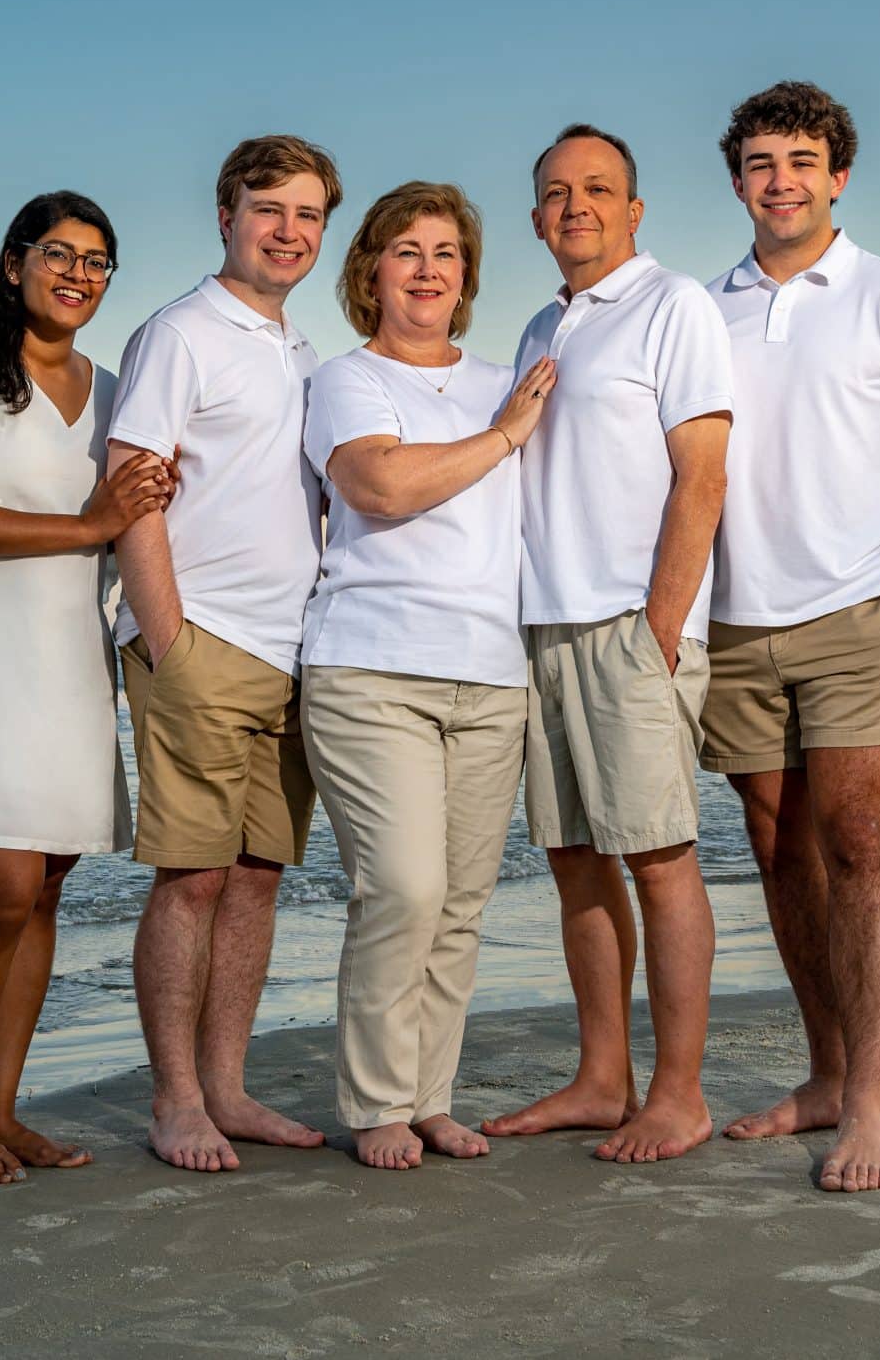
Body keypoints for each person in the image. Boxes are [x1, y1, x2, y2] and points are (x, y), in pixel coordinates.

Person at [702, 80, 880, 1193]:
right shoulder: (699, 306)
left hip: (860, 612)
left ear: (839, 176)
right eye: (762, 162)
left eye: (802, 161)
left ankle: (869, 1100)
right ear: (737, 181)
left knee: (859, 842)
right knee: (777, 847)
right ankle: (821, 1073)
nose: (782, 180)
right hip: (732, 620)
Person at [0, 191, 175, 1188]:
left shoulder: (109, 390)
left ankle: (0, 1109)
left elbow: (127, 519)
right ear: (13, 264)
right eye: (58, 253)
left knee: (48, 883)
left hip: (69, 655)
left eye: (98, 261)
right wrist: (95, 520)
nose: (77, 273)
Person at [484, 124, 734, 1164]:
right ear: (536, 216)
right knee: (574, 858)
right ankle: (602, 1076)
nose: (573, 204)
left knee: (659, 857)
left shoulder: (674, 304)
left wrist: (660, 628)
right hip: (540, 627)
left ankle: (678, 1091)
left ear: (634, 210)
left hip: (630, 628)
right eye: (553, 190)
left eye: (596, 188)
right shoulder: (541, 325)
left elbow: (701, 474)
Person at [297, 181, 558, 1170]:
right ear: (370, 270)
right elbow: (381, 483)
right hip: (371, 667)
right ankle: (374, 1101)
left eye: (445, 252)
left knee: (459, 900)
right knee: (401, 886)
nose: (426, 268)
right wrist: (502, 438)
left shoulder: (506, 376)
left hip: (491, 675)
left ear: (467, 275)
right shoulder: (346, 378)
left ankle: (428, 1093)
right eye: (405, 249)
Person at [107, 134, 339, 1173]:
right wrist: (171, 640)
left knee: (257, 876)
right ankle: (175, 1100)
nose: (288, 232)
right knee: (190, 878)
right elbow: (131, 484)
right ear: (225, 215)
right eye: (268, 209)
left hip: (295, 651)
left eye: (307, 215)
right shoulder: (180, 332)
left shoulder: (300, 350)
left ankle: (229, 1086)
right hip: (202, 643)